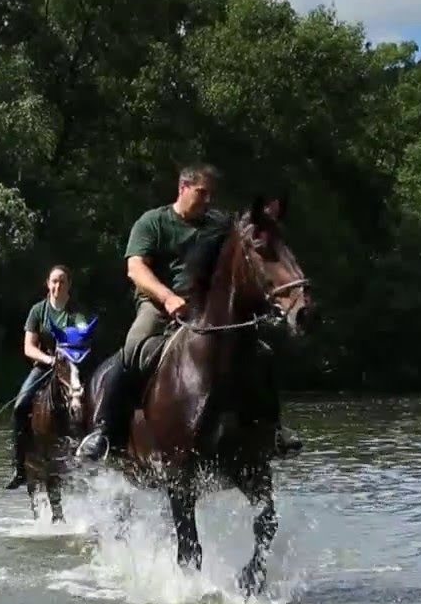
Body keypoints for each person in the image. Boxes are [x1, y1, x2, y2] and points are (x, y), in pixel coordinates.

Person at [74, 163, 304, 462]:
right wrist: (167, 297)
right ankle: (104, 432)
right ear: (182, 188)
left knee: (260, 352)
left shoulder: (218, 224)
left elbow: (246, 246)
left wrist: (267, 218)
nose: (208, 199)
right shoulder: (153, 222)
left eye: (211, 194)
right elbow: (136, 268)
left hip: (206, 306)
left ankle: (273, 430)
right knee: (133, 349)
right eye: (201, 192)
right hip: (158, 305)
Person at [5, 264, 95, 490]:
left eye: (62, 281)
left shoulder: (77, 313)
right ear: (48, 284)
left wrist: (68, 355)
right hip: (45, 367)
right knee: (19, 406)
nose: (57, 286)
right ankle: (20, 466)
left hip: (72, 367)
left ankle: (93, 455)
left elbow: (81, 337)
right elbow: (29, 347)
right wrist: (50, 360)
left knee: (91, 401)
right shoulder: (38, 311)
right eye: (54, 281)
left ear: (69, 285)